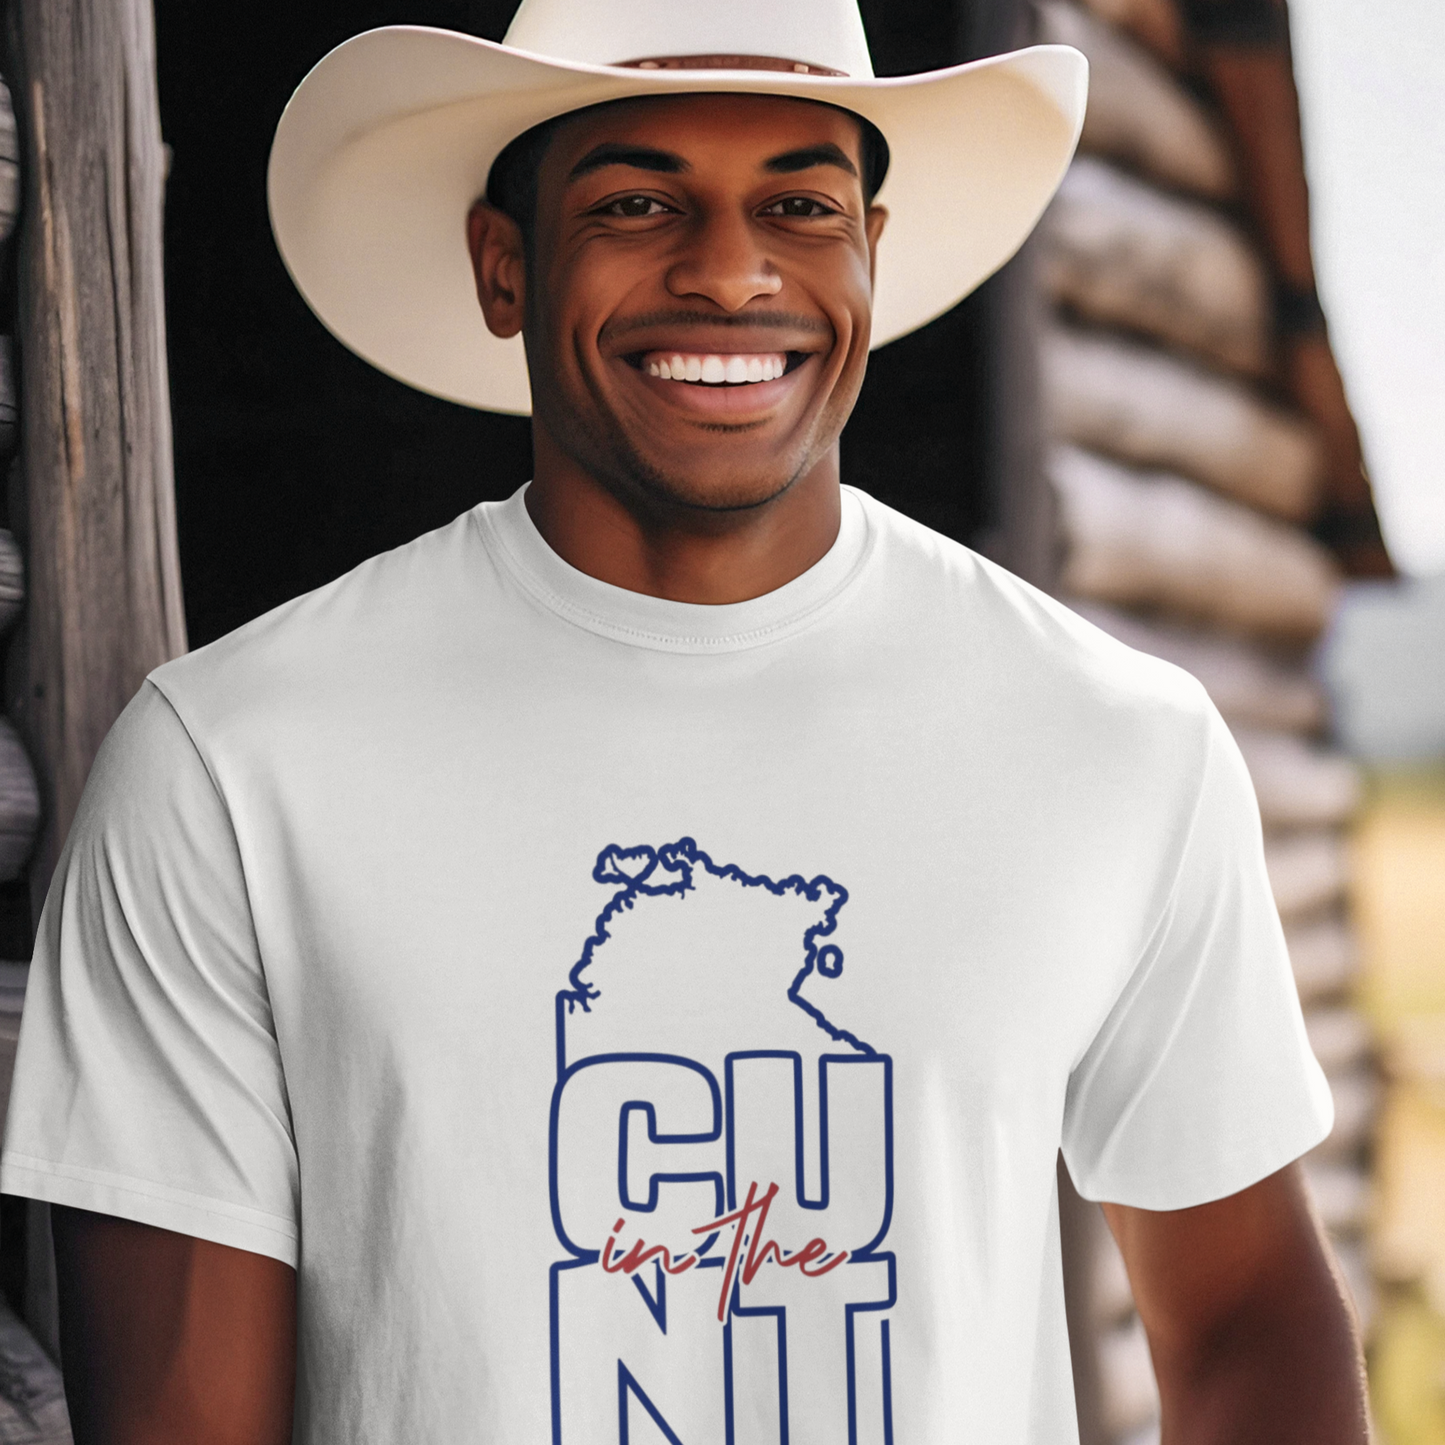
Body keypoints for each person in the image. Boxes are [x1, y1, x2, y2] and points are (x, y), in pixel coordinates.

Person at [1, 0, 1369, 1441]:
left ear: (870, 260)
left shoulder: (1111, 746)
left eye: (799, 202)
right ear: (505, 264)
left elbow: (1243, 1326)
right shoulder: (235, 767)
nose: (729, 271)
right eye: (640, 201)